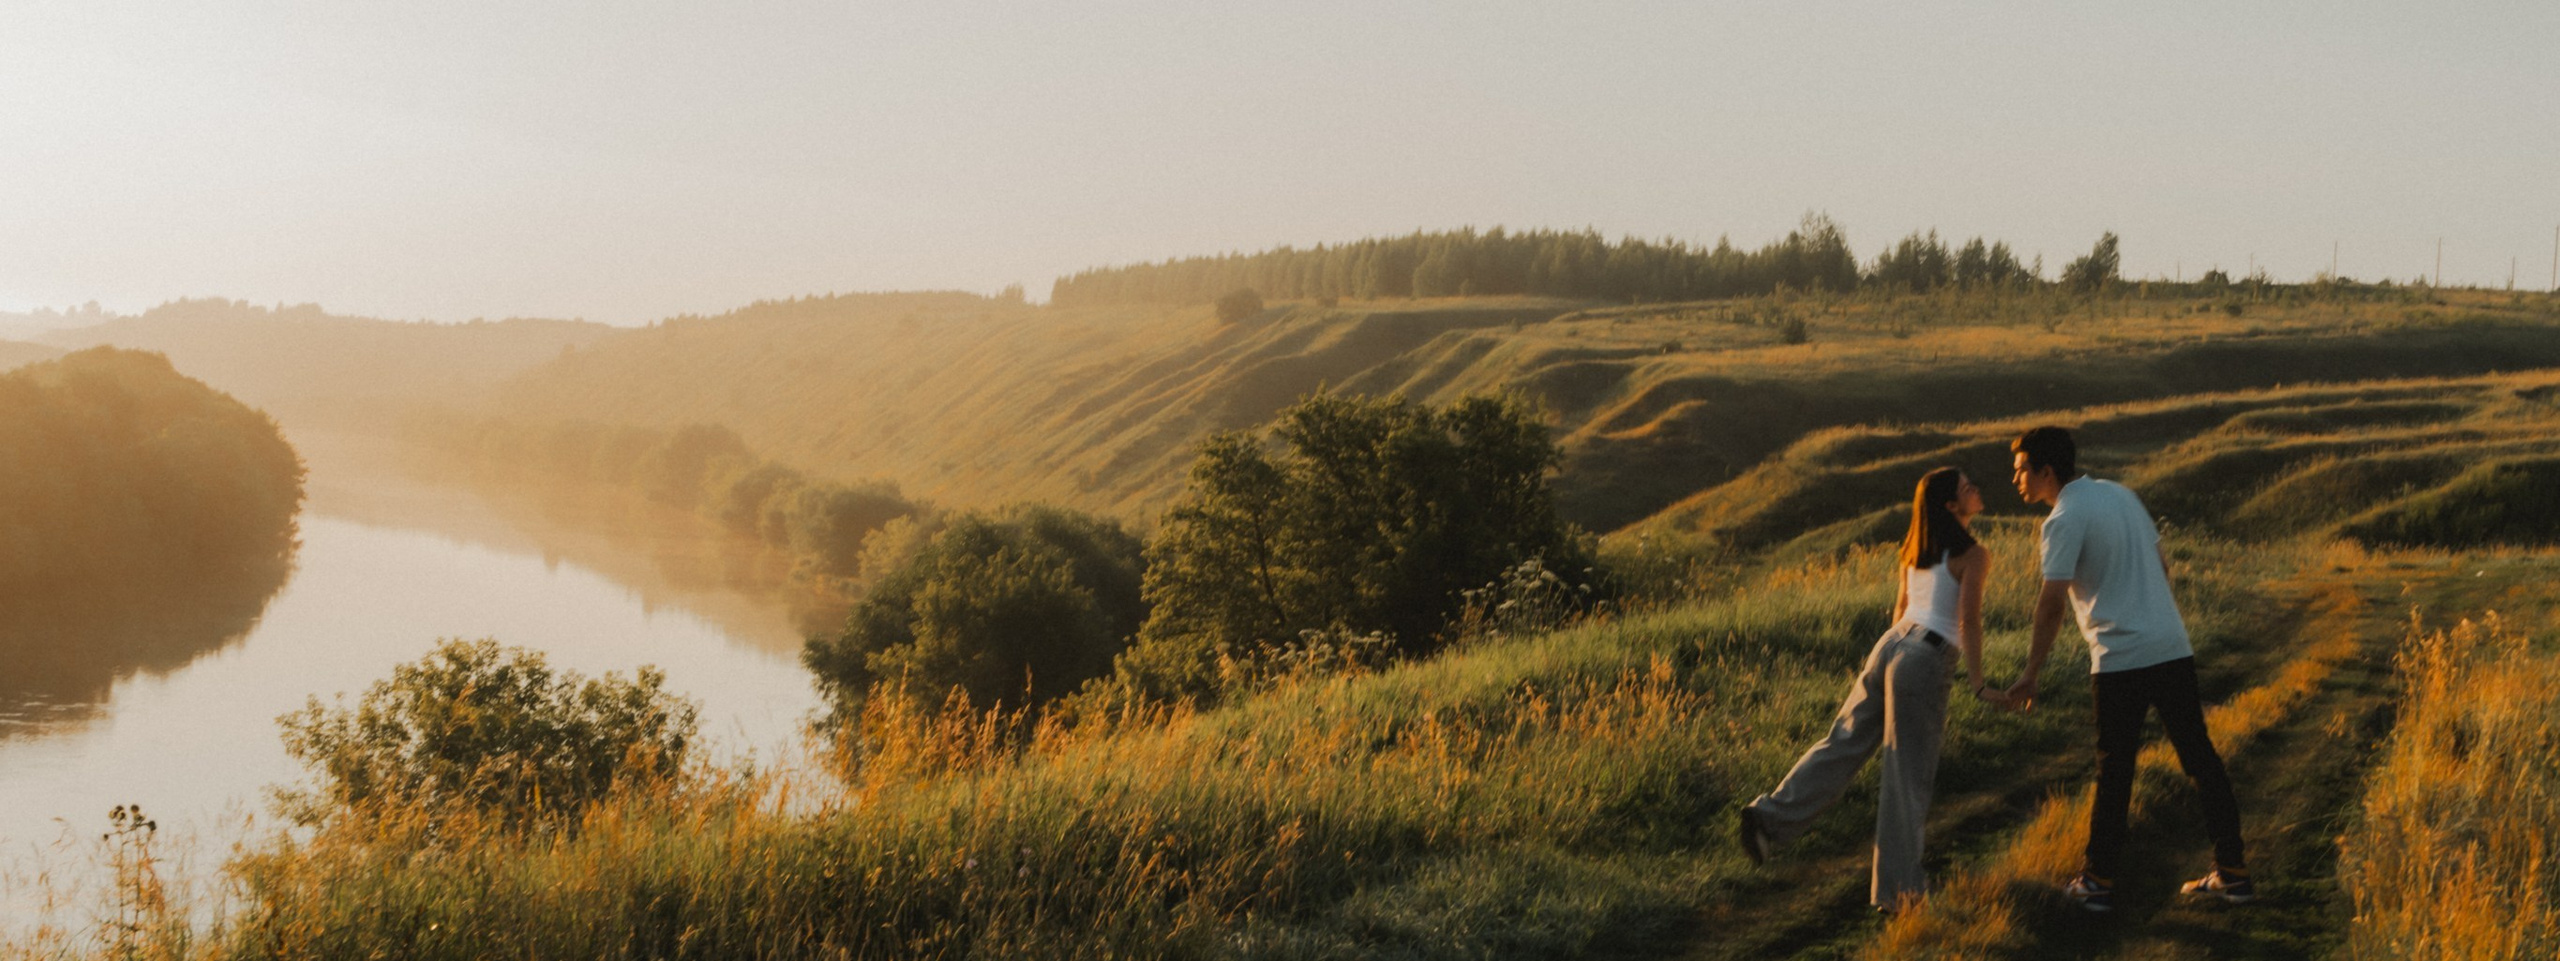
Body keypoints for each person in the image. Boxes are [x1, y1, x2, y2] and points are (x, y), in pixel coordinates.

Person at [2000, 425, 2251, 913]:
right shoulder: (2121, 495)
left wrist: (2031, 671)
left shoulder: (2063, 519)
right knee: (2201, 759)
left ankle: (2097, 882)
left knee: (2114, 771)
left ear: (2046, 471)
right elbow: (2162, 567)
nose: (2016, 480)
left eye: (2021, 470)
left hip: (2120, 658)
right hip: (2171, 645)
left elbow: (2051, 603)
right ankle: (2234, 873)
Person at [1735, 466, 2000, 912]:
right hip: (1924, 656)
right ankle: (1901, 894)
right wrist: (1978, 682)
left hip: (1890, 645)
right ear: (1951, 505)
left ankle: (1767, 817)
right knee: (1907, 776)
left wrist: (1895, 661)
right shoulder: (1974, 554)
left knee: (1842, 742)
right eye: (1967, 487)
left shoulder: (1914, 549)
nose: (1976, 488)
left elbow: (1901, 608)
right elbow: (1968, 621)